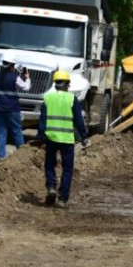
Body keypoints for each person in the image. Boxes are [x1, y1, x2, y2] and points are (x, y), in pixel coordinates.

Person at [37, 70, 87, 208]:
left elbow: (42, 120)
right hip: (66, 139)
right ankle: (62, 198)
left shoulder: (48, 98)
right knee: (67, 168)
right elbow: (78, 120)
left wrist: (40, 137)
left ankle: (51, 186)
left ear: (55, 84)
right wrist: (83, 136)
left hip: (51, 138)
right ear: (67, 85)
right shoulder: (72, 99)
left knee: (49, 164)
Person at [0, 54, 31, 159]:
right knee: (16, 131)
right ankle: (21, 156)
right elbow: (26, 88)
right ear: (12, 66)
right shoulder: (15, 78)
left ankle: (0, 155)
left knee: (1, 131)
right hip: (12, 108)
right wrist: (27, 78)